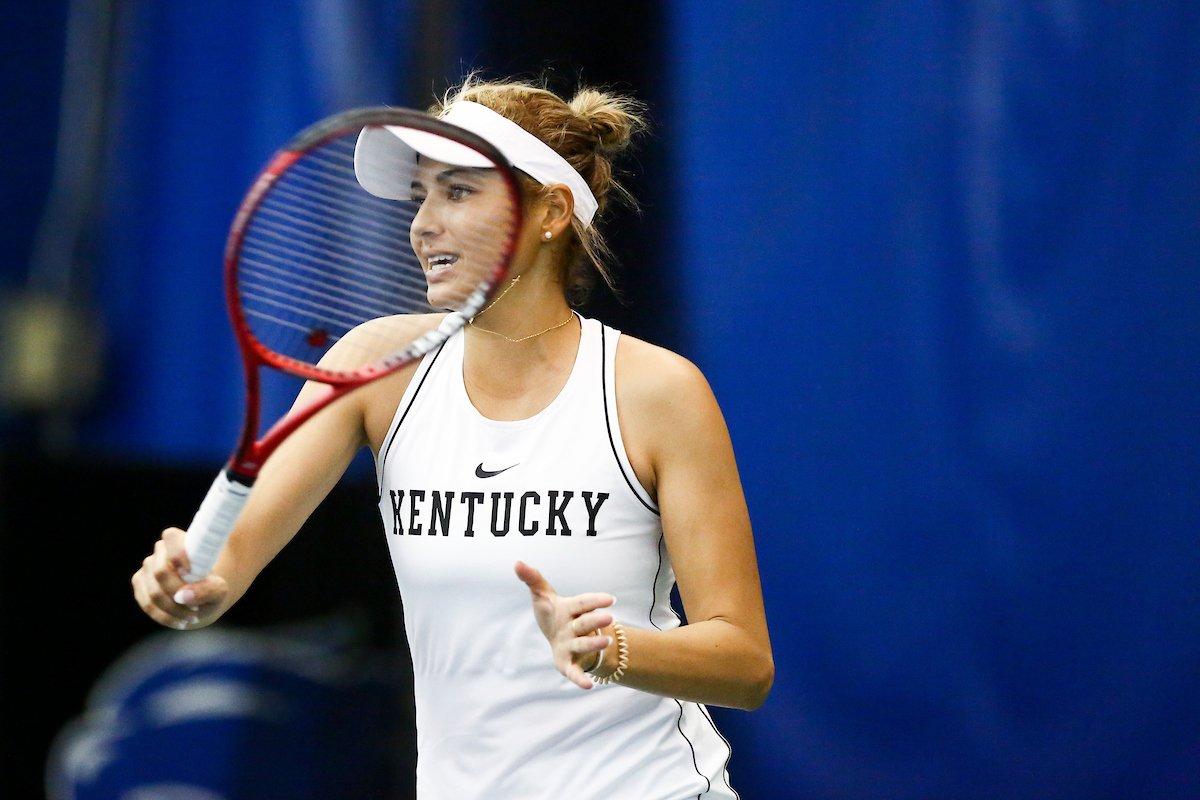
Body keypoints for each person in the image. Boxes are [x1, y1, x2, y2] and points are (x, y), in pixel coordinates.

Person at [132, 76, 773, 799]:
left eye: (458, 192)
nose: (422, 224)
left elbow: (745, 664)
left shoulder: (656, 391)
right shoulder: (371, 369)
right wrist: (191, 588)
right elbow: (225, 563)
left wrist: (610, 650)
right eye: (420, 196)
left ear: (552, 212)